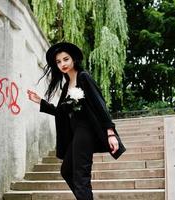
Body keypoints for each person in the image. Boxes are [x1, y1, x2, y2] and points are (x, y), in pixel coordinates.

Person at [27, 42, 126, 200]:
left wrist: (110, 132)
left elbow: (100, 104)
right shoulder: (67, 86)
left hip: (86, 130)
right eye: (58, 62)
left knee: (81, 177)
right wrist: (41, 102)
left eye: (66, 59)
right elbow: (61, 112)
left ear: (73, 59)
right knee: (66, 171)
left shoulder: (83, 77)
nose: (62, 64)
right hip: (76, 133)